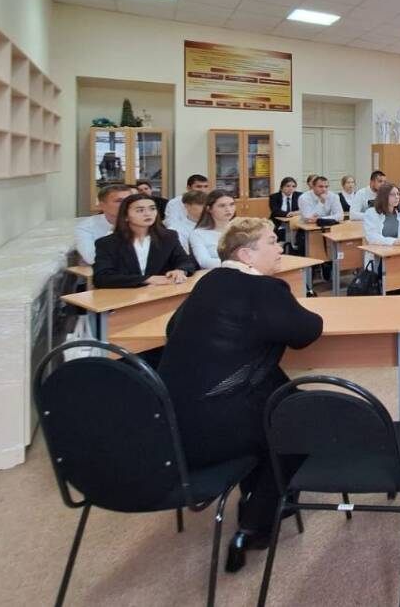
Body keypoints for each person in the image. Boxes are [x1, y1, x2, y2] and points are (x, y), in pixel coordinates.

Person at [157, 217, 322, 571]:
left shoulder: (208, 281)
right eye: (272, 242)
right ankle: (254, 524)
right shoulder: (265, 289)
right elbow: (307, 331)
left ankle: (256, 492)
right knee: (302, 421)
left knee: (279, 394)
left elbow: (172, 328)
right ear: (246, 255)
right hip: (220, 428)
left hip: (173, 424)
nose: (280, 248)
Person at [93, 193, 197, 288]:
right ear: (125, 216)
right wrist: (147, 279)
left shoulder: (168, 236)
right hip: (125, 294)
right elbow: (102, 278)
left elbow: (186, 262)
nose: (148, 214)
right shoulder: (108, 243)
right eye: (140, 210)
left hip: (160, 292)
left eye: (152, 209)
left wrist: (181, 270)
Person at [75, 183, 133, 264]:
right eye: (119, 201)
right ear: (102, 205)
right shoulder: (86, 227)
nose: (126, 204)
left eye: (129, 200)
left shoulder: (142, 222)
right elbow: (93, 258)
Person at [189, 189, 237, 269]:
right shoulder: (198, 234)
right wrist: (237, 264)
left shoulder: (242, 228)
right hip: (216, 273)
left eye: (231, 204)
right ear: (209, 209)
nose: (228, 209)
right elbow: (204, 262)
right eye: (222, 206)